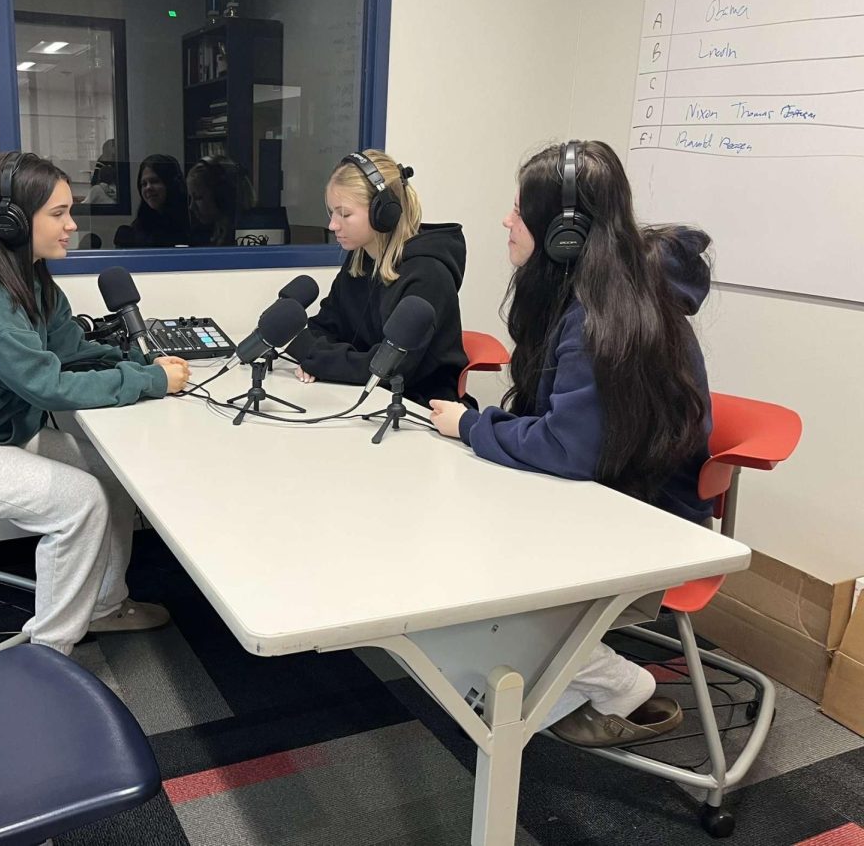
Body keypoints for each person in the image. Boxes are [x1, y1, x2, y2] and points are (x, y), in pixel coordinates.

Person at [428, 140, 714, 744]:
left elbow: (566, 449)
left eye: (517, 210)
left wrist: (473, 427)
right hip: (604, 496)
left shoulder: (600, 318)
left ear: (564, 232)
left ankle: (613, 684)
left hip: (640, 528)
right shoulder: (594, 296)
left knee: (454, 570)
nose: (506, 221)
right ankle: (542, 682)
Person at [0, 151, 191, 656]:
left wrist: (134, 357)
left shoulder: (30, 276)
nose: (71, 225)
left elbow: (68, 349)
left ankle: (104, 606)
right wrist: (149, 382)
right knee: (78, 501)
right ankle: (49, 656)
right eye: (58, 214)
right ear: (13, 221)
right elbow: (45, 384)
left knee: (110, 477)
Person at [286, 149, 469, 407]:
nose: (333, 226)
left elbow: (389, 368)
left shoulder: (429, 275)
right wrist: (317, 359)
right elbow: (323, 327)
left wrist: (318, 359)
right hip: (364, 399)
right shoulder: (360, 261)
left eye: (345, 214)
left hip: (419, 411)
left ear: (383, 213)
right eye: (332, 213)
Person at [114, 154, 191, 247]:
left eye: (155, 181)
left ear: (171, 184)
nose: (148, 188)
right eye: (144, 184)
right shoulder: (137, 230)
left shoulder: (191, 222)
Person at [186, 154, 255, 246]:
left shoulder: (249, 237)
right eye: (191, 198)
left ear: (222, 196)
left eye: (198, 197)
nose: (191, 207)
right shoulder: (206, 231)